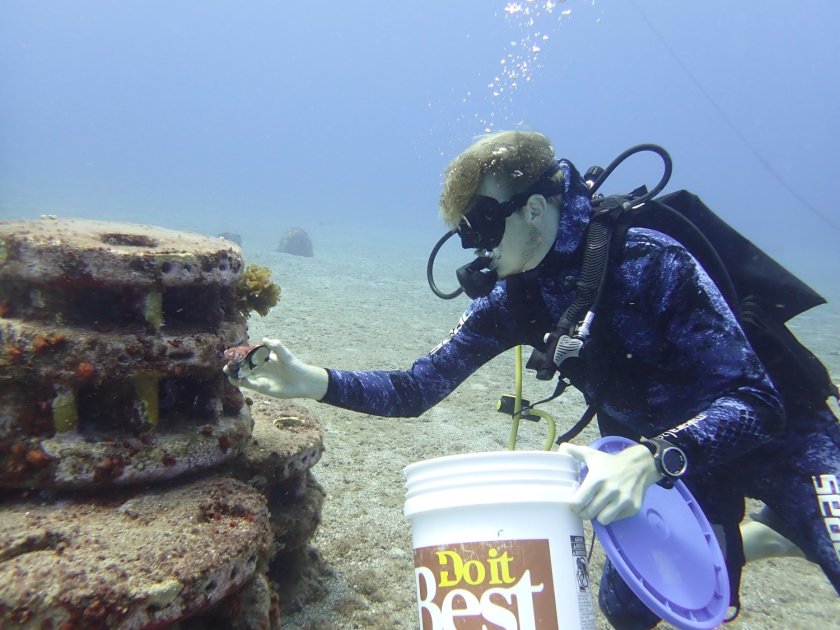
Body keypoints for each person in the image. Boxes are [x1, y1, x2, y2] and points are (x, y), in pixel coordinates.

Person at [227, 131, 840, 627]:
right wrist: (314, 380)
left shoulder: (652, 260)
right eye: (467, 233)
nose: (479, 250)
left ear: (537, 210)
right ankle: (753, 538)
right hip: (659, 468)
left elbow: (761, 403)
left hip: (785, 444)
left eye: (485, 229)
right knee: (625, 612)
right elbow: (417, 388)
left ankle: (786, 525)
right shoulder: (516, 299)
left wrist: (655, 457)